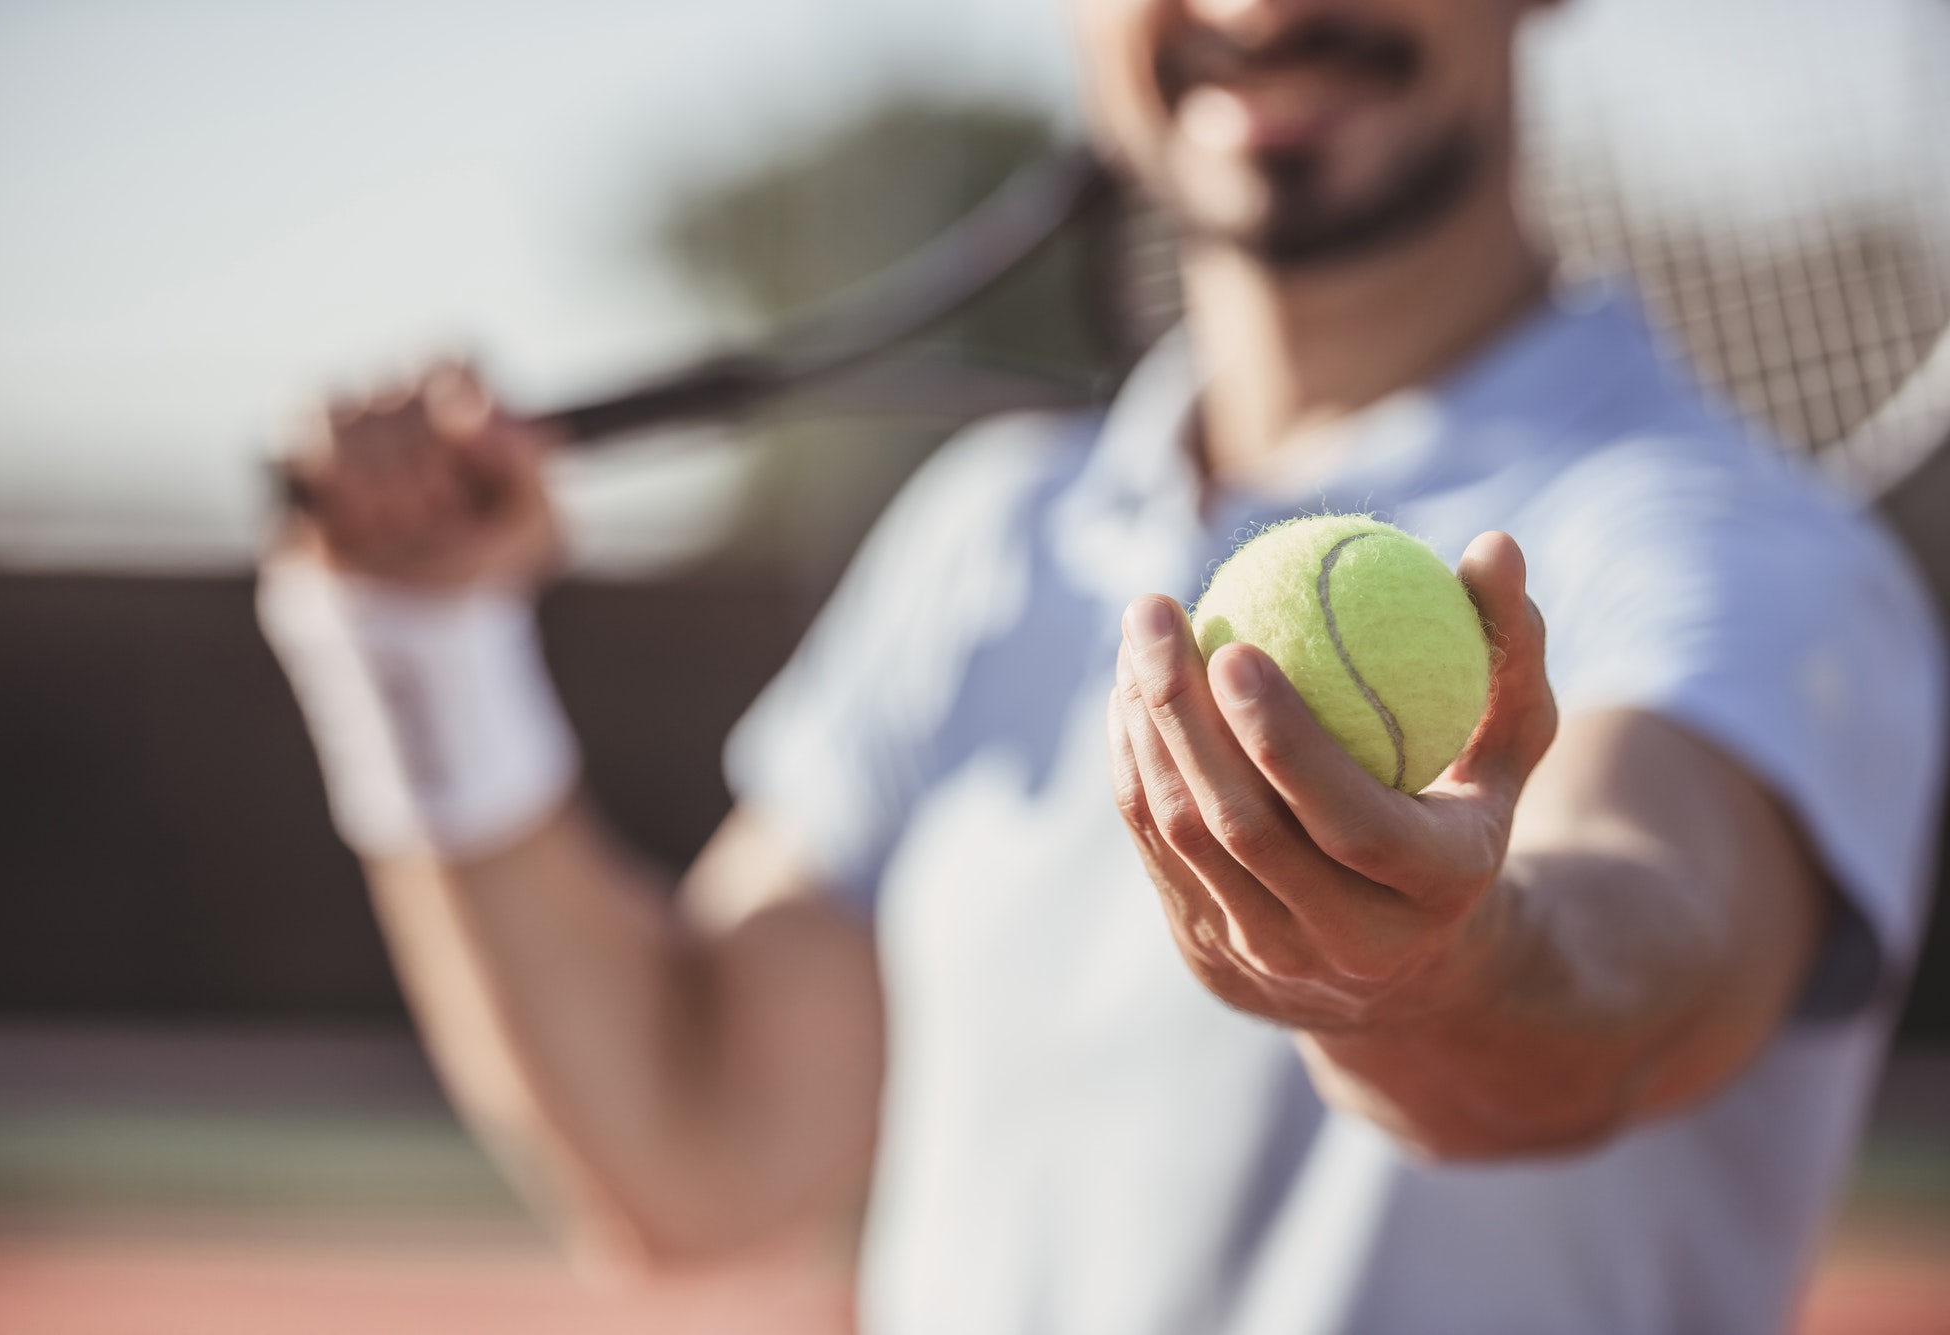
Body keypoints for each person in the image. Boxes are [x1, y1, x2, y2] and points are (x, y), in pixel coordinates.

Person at [256, 1, 1945, 1330]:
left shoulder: (1734, 549)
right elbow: (688, 1153)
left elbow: (1638, 968)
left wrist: (1434, 975)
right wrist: (420, 652)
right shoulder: (987, 539)